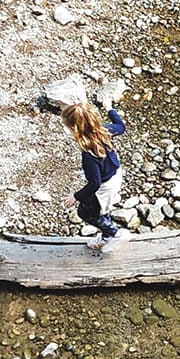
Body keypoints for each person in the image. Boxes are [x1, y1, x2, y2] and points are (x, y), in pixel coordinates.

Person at [61, 99, 126, 253]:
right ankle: (105, 237)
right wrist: (110, 109)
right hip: (115, 175)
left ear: (76, 128)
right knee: (103, 208)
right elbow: (121, 127)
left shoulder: (89, 154)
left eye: (67, 126)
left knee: (85, 212)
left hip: (104, 185)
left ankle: (115, 234)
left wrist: (76, 196)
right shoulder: (104, 130)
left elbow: (94, 184)